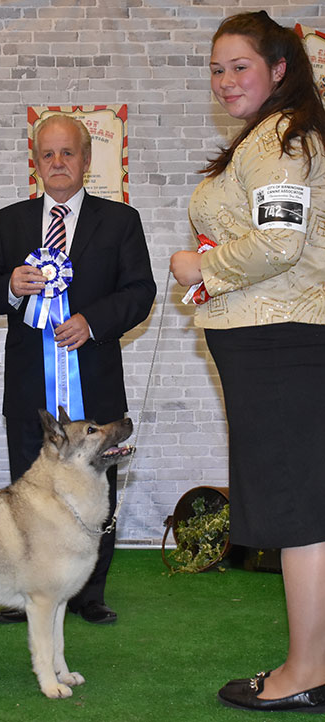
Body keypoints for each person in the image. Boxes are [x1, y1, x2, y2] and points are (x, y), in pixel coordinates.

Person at [170, 11, 325, 714]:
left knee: (299, 514)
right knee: (306, 509)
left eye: (241, 66)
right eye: (217, 67)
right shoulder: (271, 136)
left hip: (280, 345)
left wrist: (198, 265)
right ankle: (311, 661)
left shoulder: (279, 137)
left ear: (278, 68)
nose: (226, 79)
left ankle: (303, 673)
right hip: (279, 343)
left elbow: (278, 245)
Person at [0, 114, 156, 625]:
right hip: (31, 386)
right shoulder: (9, 221)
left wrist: (92, 322)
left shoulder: (121, 220)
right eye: (48, 154)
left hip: (94, 378)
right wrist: (10, 285)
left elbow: (142, 292)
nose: (58, 163)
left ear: (86, 159)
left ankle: (89, 593)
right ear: (35, 163)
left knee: (98, 488)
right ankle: (27, 589)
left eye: (68, 153)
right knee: (28, 491)